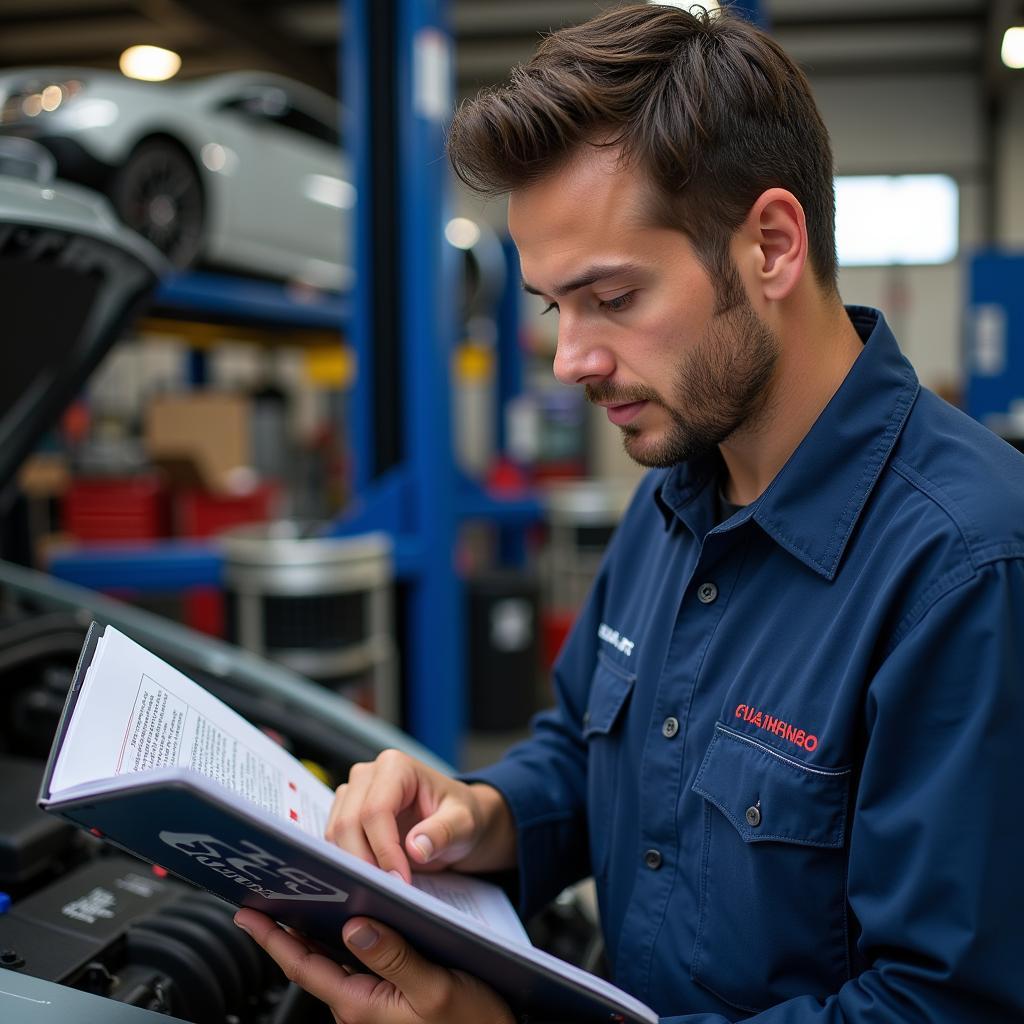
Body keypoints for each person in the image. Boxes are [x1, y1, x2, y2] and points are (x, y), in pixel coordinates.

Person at [234, 4, 1024, 1021]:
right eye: (554, 305)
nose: (570, 360)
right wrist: (483, 813)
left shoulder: (965, 567)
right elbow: (583, 745)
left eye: (611, 297)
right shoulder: (673, 497)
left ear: (771, 246)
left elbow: (936, 1007)